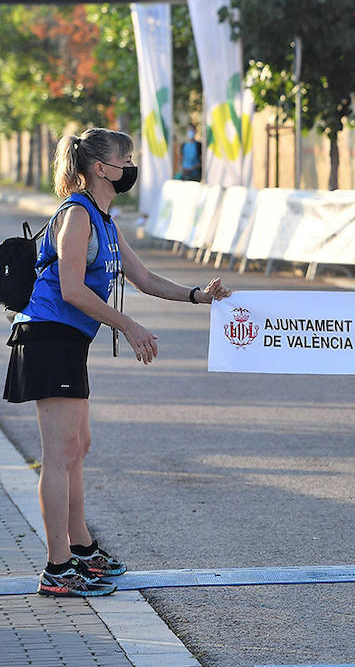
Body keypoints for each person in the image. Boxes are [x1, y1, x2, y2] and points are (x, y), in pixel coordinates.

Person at [5, 128, 231, 598]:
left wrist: (198, 296)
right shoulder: (76, 216)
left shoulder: (105, 220)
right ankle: (57, 567)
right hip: (47, 337)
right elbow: (70, 289)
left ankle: (82, 549)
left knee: (78, 447)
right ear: (101, 169)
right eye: (124, 159)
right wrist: (128, 326)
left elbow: (144, 278)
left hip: (68, 340)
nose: (131, 166)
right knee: (61, 455)